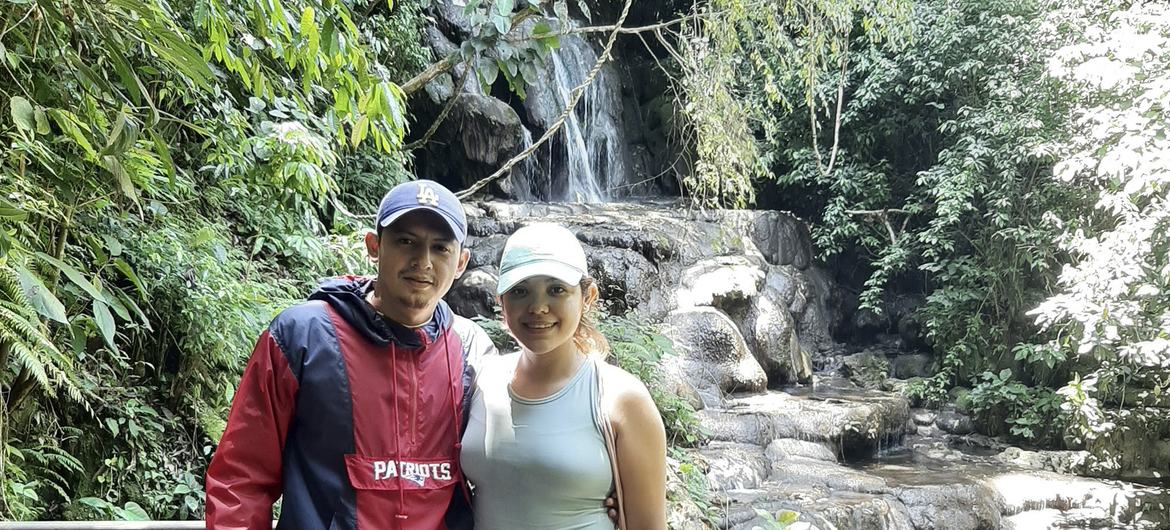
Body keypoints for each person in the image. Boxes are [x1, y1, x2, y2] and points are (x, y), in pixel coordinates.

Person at [204, 179, 496, 530]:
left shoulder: (470, 348)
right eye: (406, 241)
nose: (423, 261)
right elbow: (241, 478)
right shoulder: (302, 336)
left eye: (440, 248)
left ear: (461, 261)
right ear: (374, 246)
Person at [460, 223, 668, 530]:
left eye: (557, 289)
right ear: (500, 302)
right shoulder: (482, 381)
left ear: (587, 297)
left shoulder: (621, 400)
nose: (538, 307)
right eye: (520, 291)